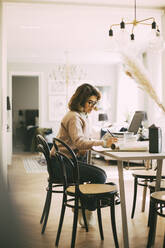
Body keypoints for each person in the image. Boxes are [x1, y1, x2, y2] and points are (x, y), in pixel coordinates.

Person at [50, 83, 117, 225]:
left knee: (98, 173)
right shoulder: (74, 117)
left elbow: (83, 141)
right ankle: (88, 207)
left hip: (66, 161)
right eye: (90, 102)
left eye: (94, 103)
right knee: (100, 175)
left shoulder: (83, 115)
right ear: (81, 100)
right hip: (61, 165)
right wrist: (102, 143)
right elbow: (80, 142)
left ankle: (83, 202)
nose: (93, 106)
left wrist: (97, 142)